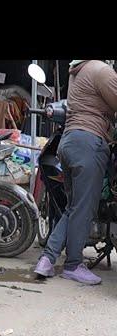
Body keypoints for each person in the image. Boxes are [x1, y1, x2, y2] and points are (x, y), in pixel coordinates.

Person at [34, 60, 117, 284]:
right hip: (89, 143)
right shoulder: (101, 71)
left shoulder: (77, 72)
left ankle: (47, 259)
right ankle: (73, 265)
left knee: (73, 208)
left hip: (69, 142)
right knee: (83, 210)